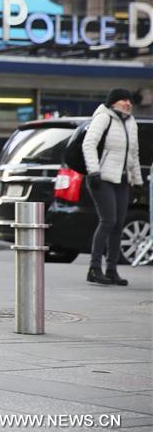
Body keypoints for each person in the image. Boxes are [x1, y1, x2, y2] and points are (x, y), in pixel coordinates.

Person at [82, 88, 143, 286]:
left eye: (130, 101)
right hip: (102, 178)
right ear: (113, 102)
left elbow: (134, 155)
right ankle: (94, 268)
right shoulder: (103, 117)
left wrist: (138, 181)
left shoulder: (130, 122)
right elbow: (89, 144)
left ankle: (112, 270)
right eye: (124, 100)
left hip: (122, 179)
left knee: (118, 224)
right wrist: (94, 171)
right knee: (108, 221)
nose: (128, 103)